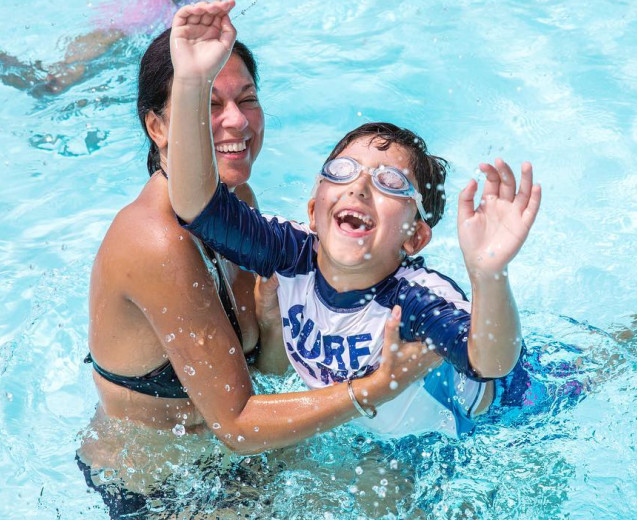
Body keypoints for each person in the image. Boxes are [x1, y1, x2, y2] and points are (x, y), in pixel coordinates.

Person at [78, 24, 438, 519]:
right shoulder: (155, 243)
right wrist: (377, 386)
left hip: (239, 460)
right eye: (209, 102)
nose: (236, 122)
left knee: (407, 488)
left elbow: (266, 370)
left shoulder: (236, 205)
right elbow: (238, 421)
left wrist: (275, 319)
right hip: (160, 492)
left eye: (246, 99)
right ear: (159, 127)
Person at [166, 1, 542, 437]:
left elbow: (490, 361)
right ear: (312, 210)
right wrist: (192, 80)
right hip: (384, 431)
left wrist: (489, 274)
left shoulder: (414, 302)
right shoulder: (290, 255)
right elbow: (197, 208)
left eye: (390, 183)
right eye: (343, 172)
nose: (359, 188)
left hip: (504, 422)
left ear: (415, 237)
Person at [0, 1, 190, 97]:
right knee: (43, 85)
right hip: (109, 42)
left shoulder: (155, 10)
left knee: (42, 85)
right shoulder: (159, 13)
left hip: (113, 39)